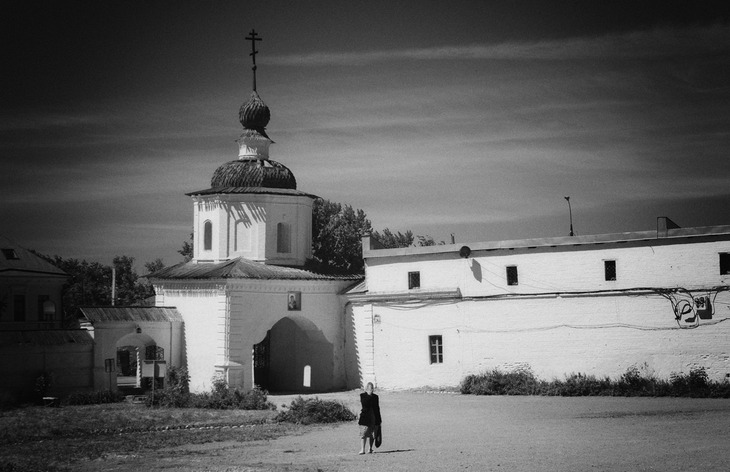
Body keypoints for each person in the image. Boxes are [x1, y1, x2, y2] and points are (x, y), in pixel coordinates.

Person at [358, 382, 382, 454]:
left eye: (372, 388)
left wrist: (379, 419)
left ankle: (370, 448)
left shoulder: (375, 397)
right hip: (365, 418)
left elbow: (377, 408)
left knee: (372, 434)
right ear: (366, 389)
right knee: (363, 434)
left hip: (373, 417)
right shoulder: (363, 395)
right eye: (369, 388)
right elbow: (364, 404)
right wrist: (368, 395)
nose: (371, 390)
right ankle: (362, 449)